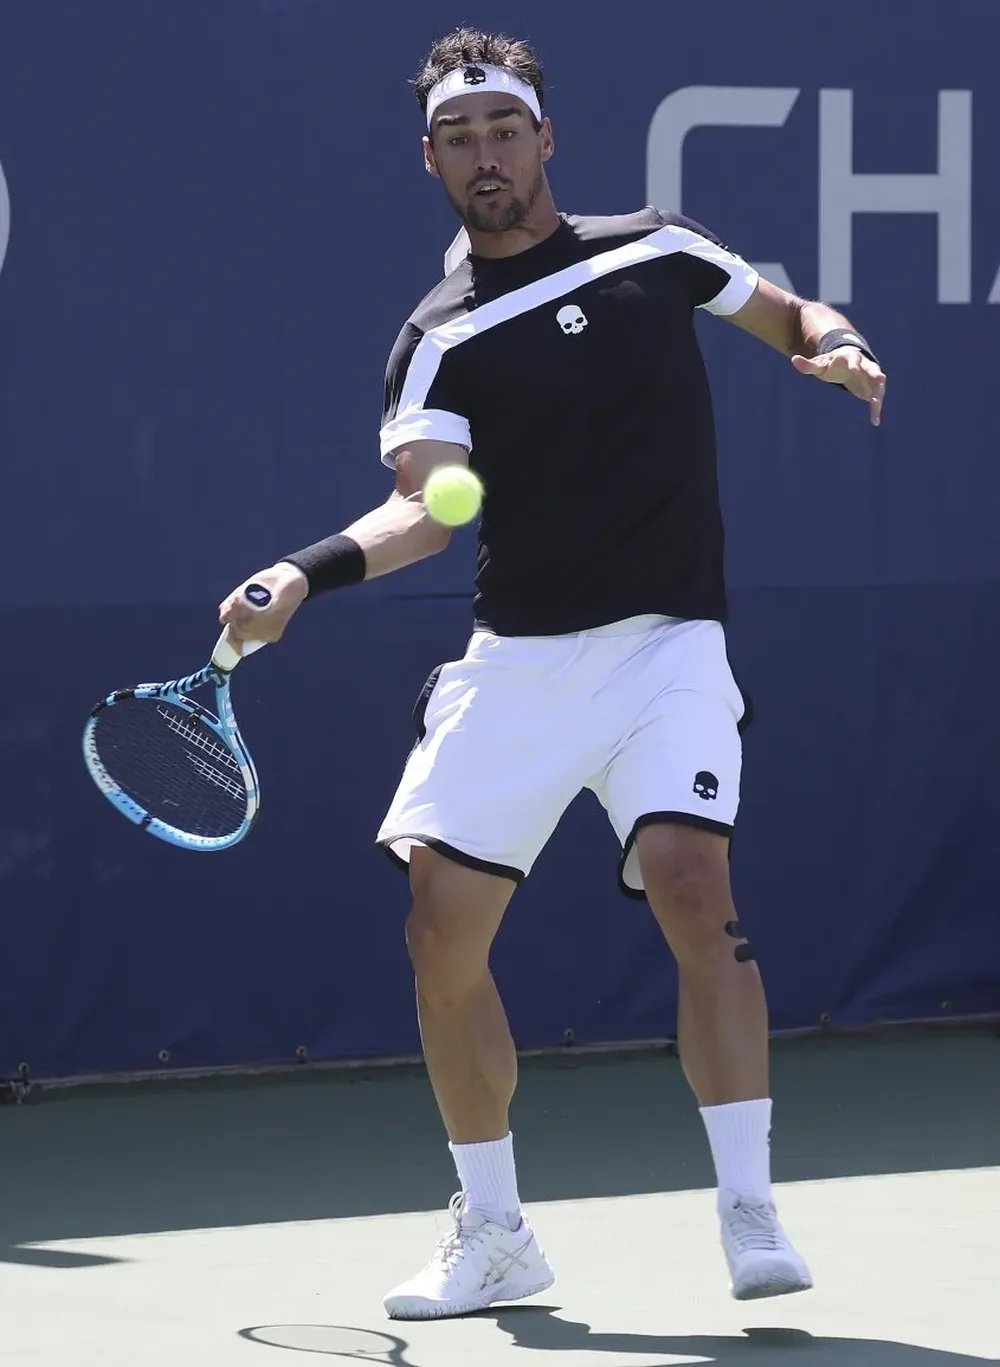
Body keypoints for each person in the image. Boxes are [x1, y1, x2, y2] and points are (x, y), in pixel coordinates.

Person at [220, 27, 886, 1322]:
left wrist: (835, 340)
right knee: (438, 932)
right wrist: (304, 571)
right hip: (518, 662)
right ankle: (497, 1227)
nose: (485, 155)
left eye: (503, 131)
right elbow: (425, 511)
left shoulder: (658, 247)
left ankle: (748, 1199)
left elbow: (786, 312)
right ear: (431, 161)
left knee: (697, 886)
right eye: (459, 140)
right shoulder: (438, 337)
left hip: (668, 643)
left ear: (545, 139)